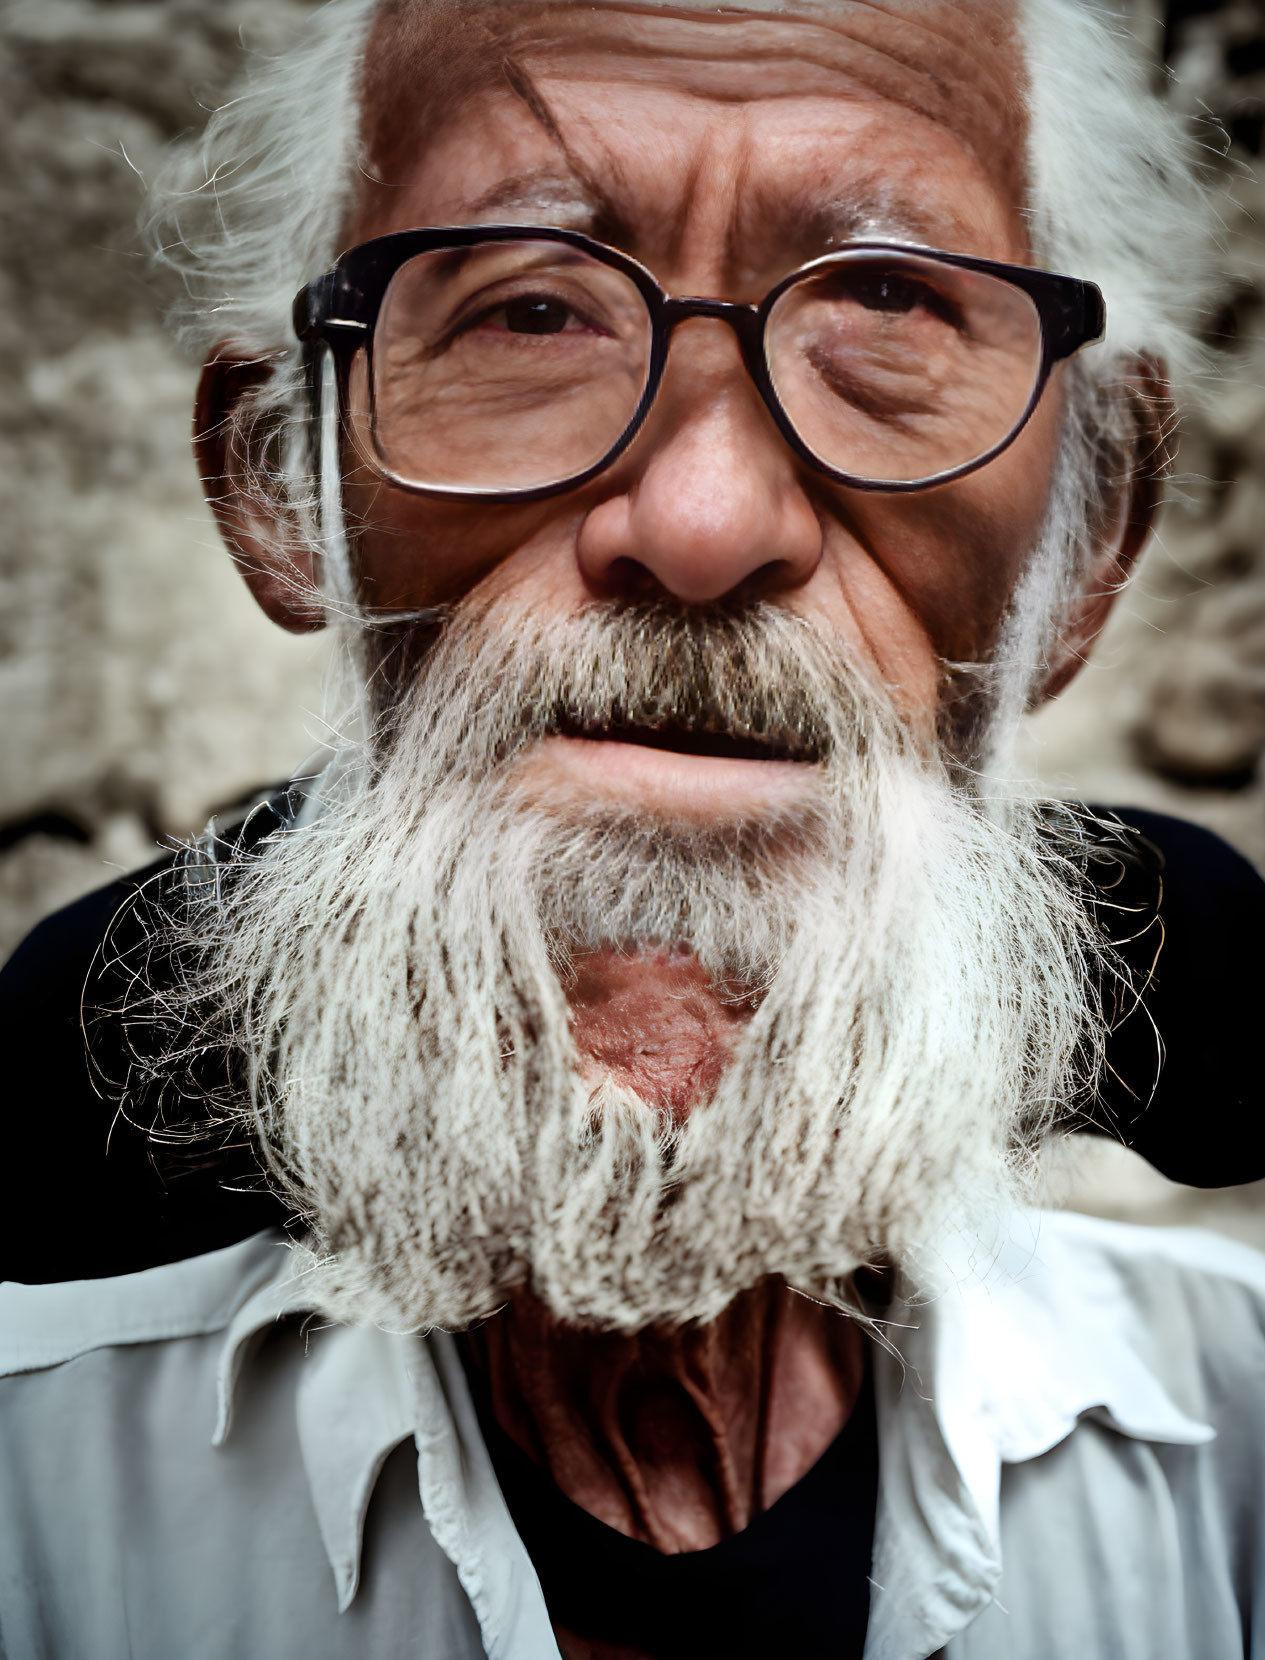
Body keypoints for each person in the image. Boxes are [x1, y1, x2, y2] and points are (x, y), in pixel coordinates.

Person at [1, 1, 1263, 1656]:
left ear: (1088, 532)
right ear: (284, 480)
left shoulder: (1229, 1449)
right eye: (530, 311)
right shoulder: (40, 1478)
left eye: (885, 302)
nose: (704, 519)